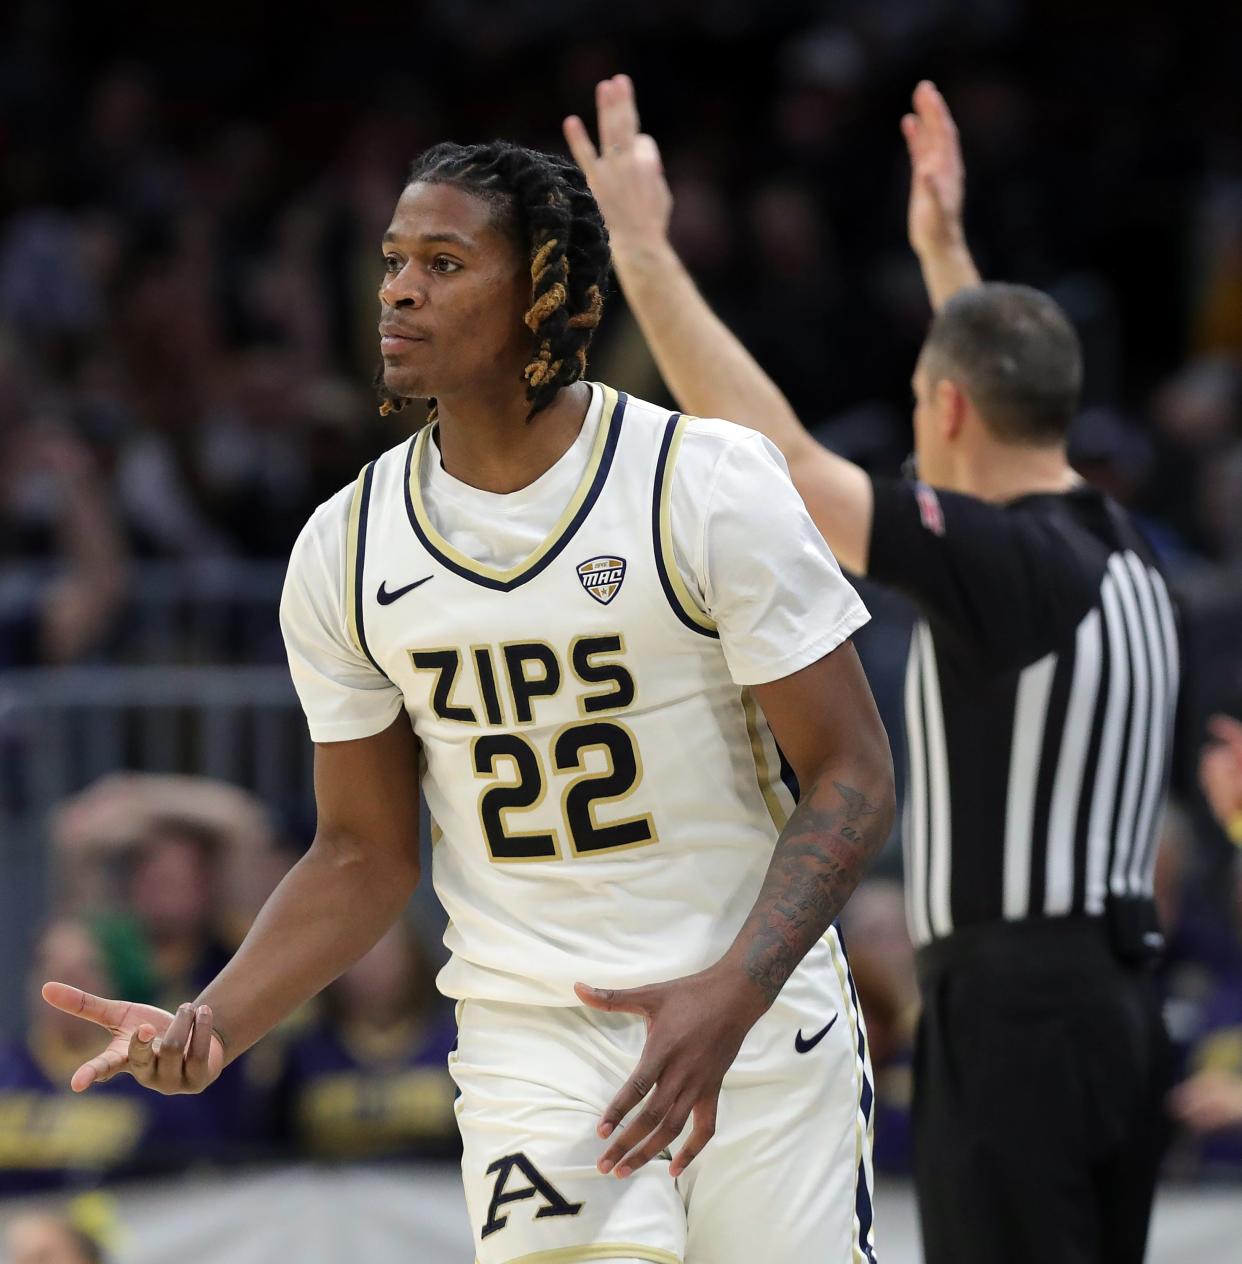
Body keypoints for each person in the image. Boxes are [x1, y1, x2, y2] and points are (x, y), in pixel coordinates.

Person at [43, 138, 895, 1264]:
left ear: (544, 291)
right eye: (394, 259)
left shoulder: (704, 482)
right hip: (535, 1040)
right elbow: (361, 852)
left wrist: (734, 990)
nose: (398, 287)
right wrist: (216, 1018)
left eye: (445, 262)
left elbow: (853, 771)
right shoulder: (345, 548)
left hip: (761, 1012)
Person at [568, 74, 1180, 1264]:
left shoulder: (1006, 566)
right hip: (1116, 1009)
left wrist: (642, 254)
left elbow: (783, 461)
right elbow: (993, 386)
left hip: (1016, 1014)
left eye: (917, 405)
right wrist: (947, 250)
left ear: (947, 408)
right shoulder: (1115, 543)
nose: (913, 428)